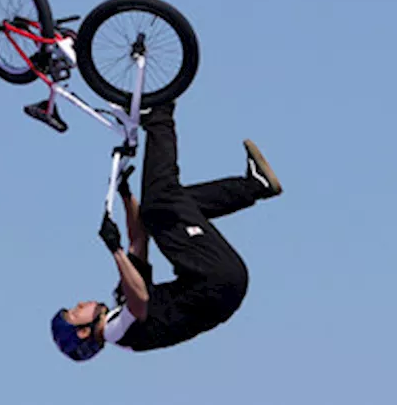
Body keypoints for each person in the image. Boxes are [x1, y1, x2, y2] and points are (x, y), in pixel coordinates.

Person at [49, 100, 283, 359]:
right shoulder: (118, 333)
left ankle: (255, 185)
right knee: (160, 199)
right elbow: (139, 299)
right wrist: (114, 250)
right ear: (83, 331)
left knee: (170, 208)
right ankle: (159, 114)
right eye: (74, 312)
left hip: (218, 283)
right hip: (215, 281)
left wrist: (126, 195)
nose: (80, 303)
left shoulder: (120, 306)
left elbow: (138, 240)